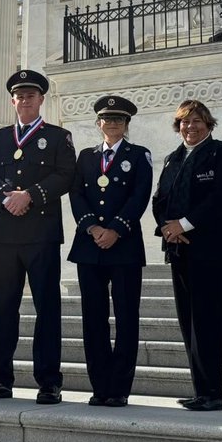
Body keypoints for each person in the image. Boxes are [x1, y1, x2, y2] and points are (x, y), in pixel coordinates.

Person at [0, 69, 76, 404]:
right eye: (20, 95)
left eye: (31, 95)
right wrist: (6, 196)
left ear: (41, 99)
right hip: (3, 235)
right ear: (13, 100)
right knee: (3, 308)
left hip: (41, 234)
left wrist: (29, 195)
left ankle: (49, 381)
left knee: (47, 308)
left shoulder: (59, 137)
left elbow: (66, 176)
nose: (25, 100)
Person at [151, 99, 222, 412]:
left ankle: (215, 392)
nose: (191, 127)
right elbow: (160, 199)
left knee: (209, 319)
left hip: (212, 250)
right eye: (185, 123)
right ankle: (201, 390)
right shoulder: (171, 158)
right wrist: (167, 228)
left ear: (208, 123)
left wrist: (185, 224)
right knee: (188, 320)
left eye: (197, 121)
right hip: (178, 249)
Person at [67, 95, 153, 407]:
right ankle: (100, 385)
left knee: (127, 316)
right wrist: (92, 227)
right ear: (98, 123)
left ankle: (119, 387)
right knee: (94, 318)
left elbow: (139, 195)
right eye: (107, 118)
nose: (112, 123)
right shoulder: (86, 157)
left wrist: (115, 228)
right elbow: (76, 194)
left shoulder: (139, 155)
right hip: (89, 247)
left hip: (124, 246)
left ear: (127, 124)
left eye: (119, 119)